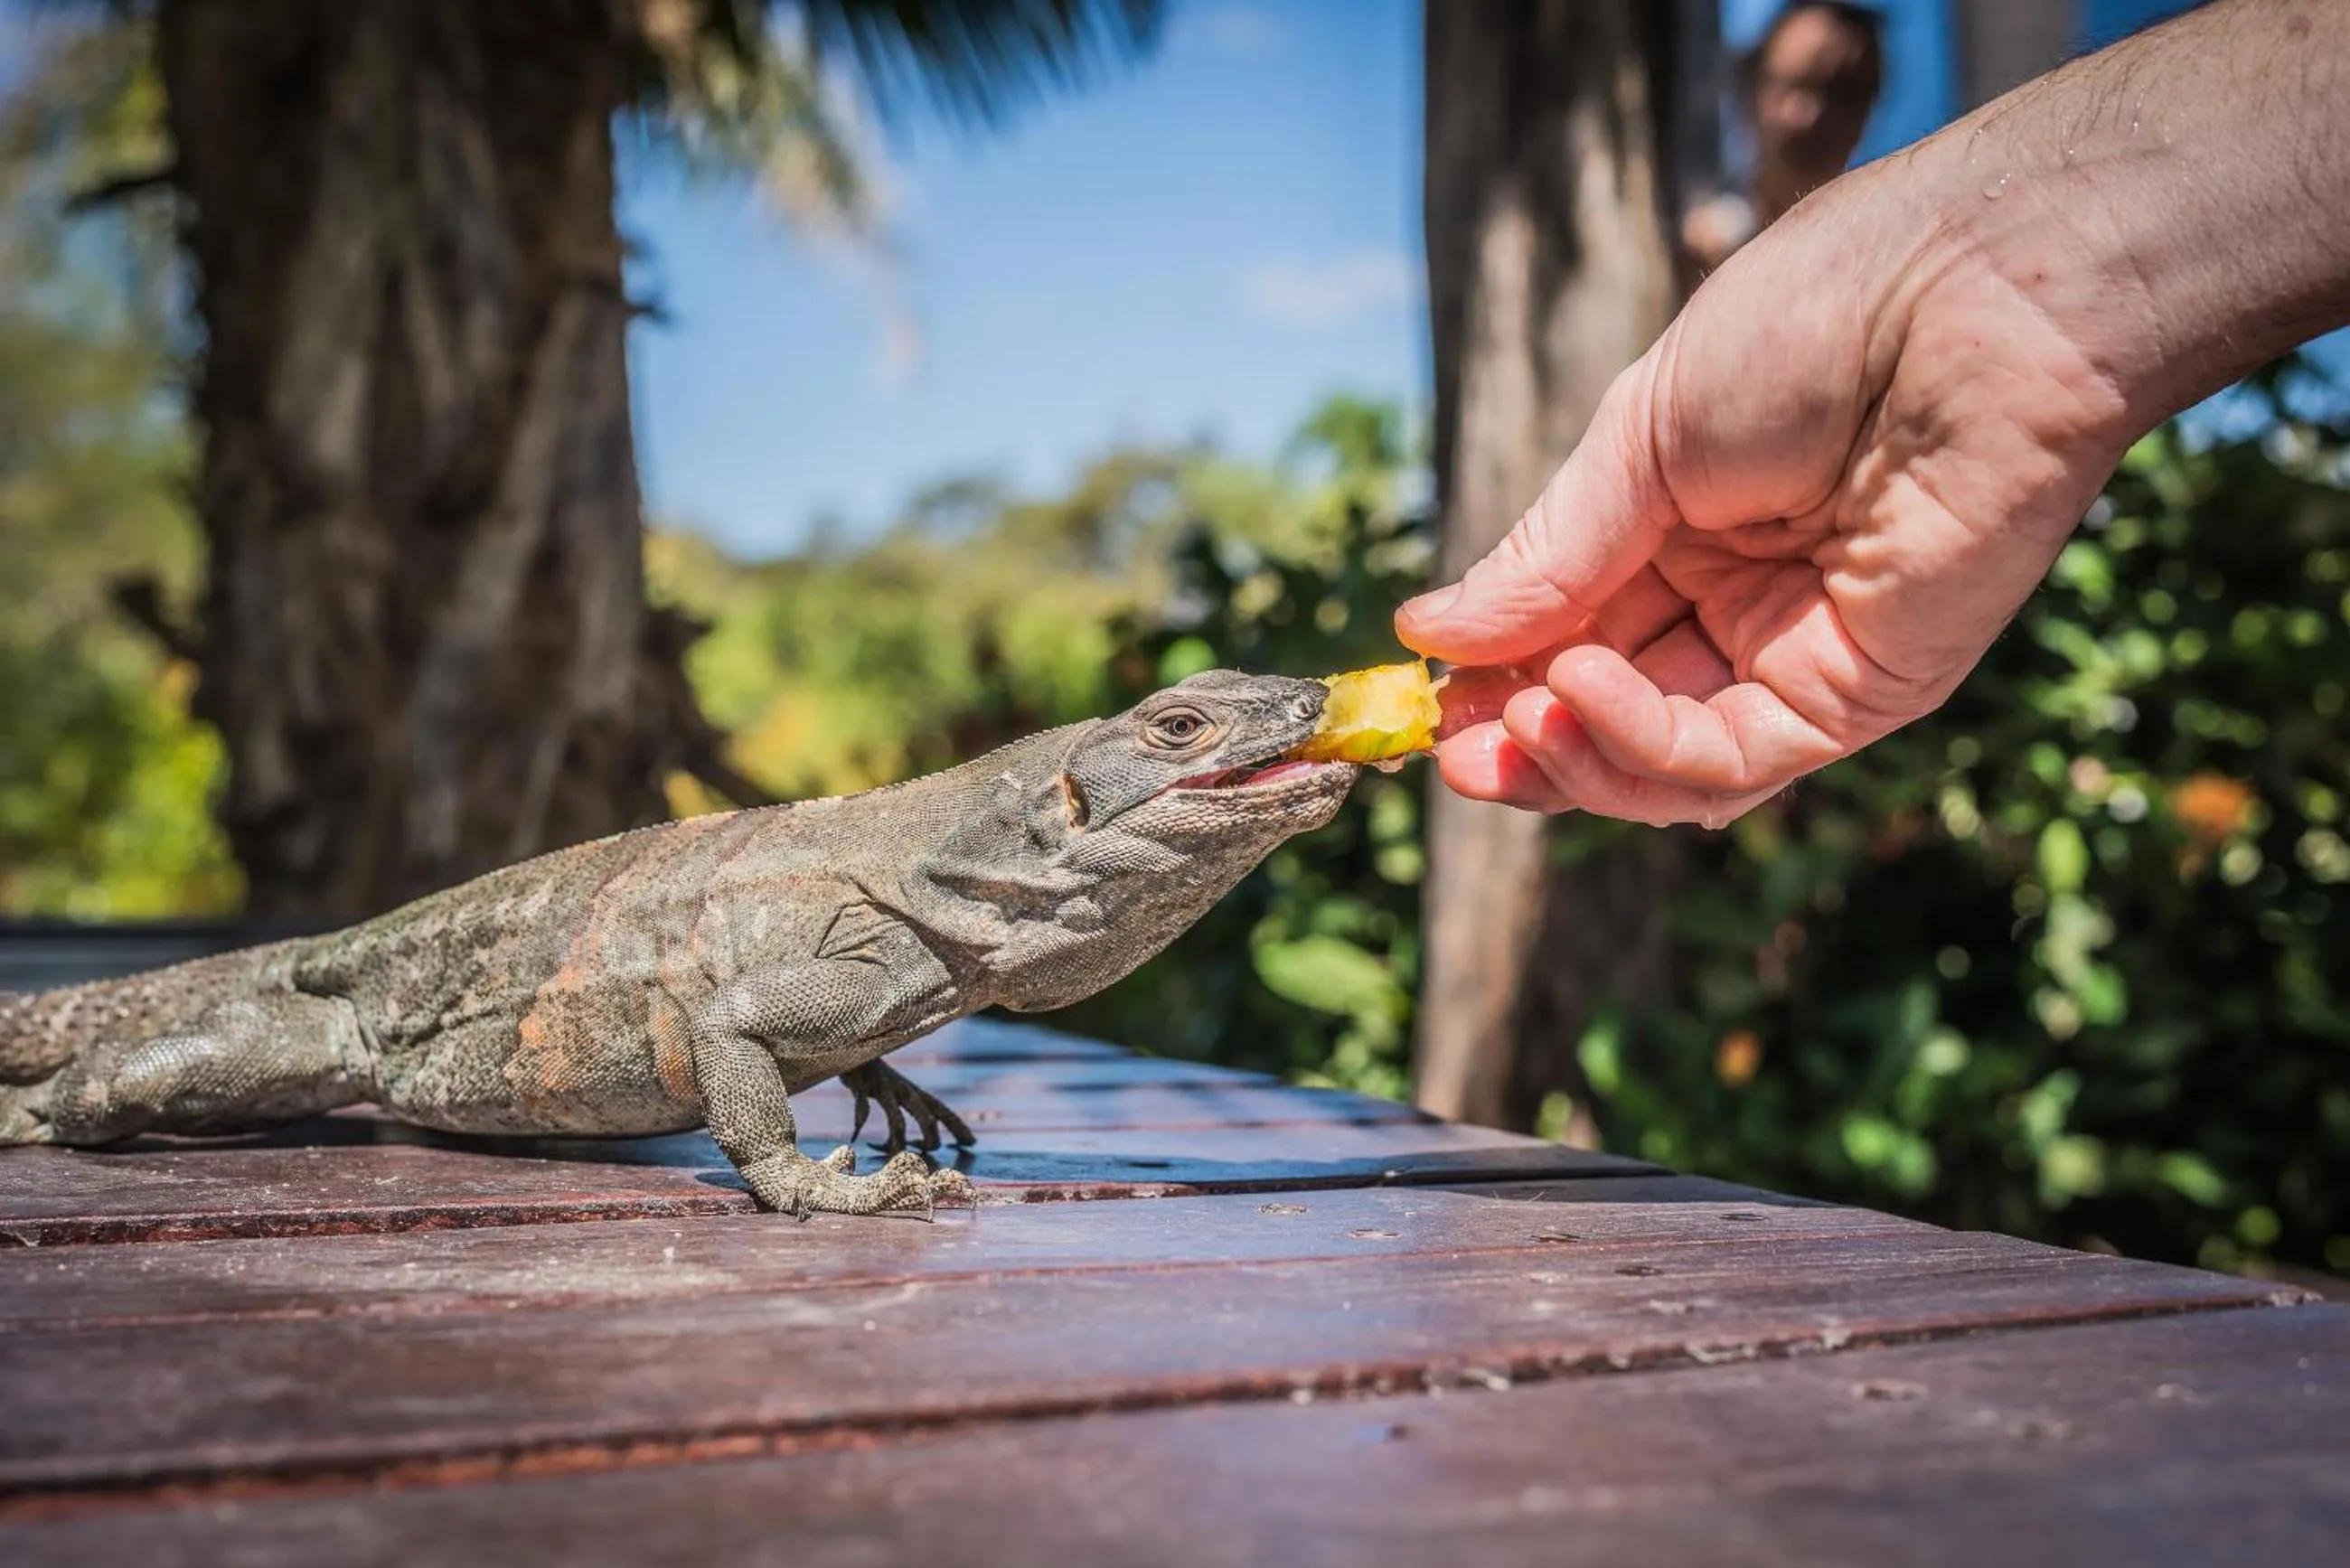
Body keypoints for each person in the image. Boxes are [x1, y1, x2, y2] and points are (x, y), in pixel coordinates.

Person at [1399, 0, 2350, 831]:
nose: (1811, 112)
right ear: (1743, 91)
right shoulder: (1683, 236)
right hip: (1715, 624)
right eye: (1792, 84)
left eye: (1845, 87)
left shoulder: (1910, 203)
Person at [1681, 2, 1886, 278]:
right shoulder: (1693, 235)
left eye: (1844, 93)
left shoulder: (1874, 255)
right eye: (1796, 85)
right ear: (1750, 89)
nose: (1813, 116)